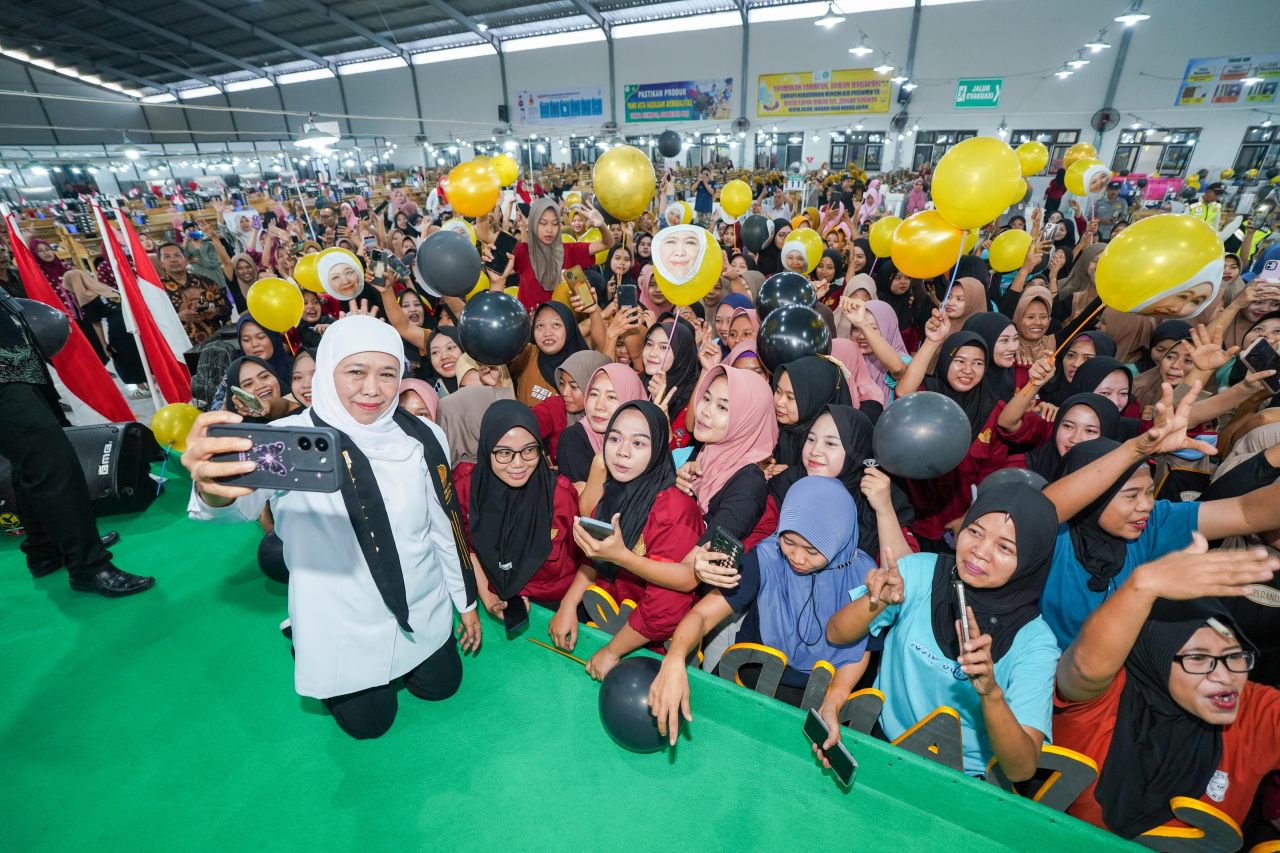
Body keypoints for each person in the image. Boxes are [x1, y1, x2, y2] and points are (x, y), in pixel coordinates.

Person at [183, 315, 479, 739]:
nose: (373, 390)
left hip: (421, 600)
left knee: (442, 688)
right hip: (341, 617)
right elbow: (233, 509)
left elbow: (442, 526)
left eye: (387, 374)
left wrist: (463, 603)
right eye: (355, 372)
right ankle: (302, 635)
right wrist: (213, 488)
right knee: (371, 726)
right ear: (328, 373)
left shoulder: (424, 435)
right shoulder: (286, 439)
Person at [827, 482, 1062, 781]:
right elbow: (836, 634)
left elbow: (1022, 769)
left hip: (962, 778)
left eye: (1005, 547)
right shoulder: (919, 572)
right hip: (880, 744)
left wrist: (990, 694)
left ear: (1031, 560)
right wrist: (875, 602)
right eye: (975, 531)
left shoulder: (1035, 642)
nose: (979, 552)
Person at [1054, 554, 1279, 838]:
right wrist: (1142, 585)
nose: (1225, 676)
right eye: (1198, 658)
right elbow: (1084, 666)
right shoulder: (1103, 701)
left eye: (1235, 656)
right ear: (1155, 661)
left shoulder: (1254, 711)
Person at [649, 477, 878, 740]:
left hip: (817, 695)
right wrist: (675, 658)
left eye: (813, 551)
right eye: (788, 542)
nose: (798, 558)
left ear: (838, 542)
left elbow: (860, 650)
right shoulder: (766, 557)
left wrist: (834, 699)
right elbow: (701, 615)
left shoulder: (865, 577)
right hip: (747, 675)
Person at [0, 292, 152, 597]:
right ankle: (88, 566)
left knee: (30, 459)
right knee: (51, 461)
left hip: (16, 356)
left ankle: (46, 549)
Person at [558, 401, 705, 680]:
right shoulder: (612, 491)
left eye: (638, 444)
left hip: (652, 650)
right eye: (614, 439)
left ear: (659, 448)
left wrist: (613, 651)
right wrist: (568, 603)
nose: (622, 452)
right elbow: (597, 556)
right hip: (606, 624)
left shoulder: (674, 510)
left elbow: (665, 607)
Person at [454, 401, 582, 618]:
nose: (518, 464)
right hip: (490, 591)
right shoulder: (467, 488)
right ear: (486, 449)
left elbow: (582, 560)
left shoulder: (559, 495)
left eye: (529, 450)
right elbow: (465, 546)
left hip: (552, 606)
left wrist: (568, 606)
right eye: (504, 453)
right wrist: (489, 597)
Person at [510, 198, 614, 310]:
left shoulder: (570, 250)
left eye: (554, 224)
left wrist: (601, 225)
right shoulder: (524, 251)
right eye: (543, 223)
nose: (549, 230)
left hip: (561, 323)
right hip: (529, 324)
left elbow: (607, 243)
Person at [157, 241, 230, 344]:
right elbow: (153, 321)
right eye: (167, 257)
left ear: (186, 260)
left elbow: (227, 308)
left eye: (177, 255)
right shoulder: (157, 290)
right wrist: (178, 318)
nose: (173, 260)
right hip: (180, 347)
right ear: (161, 264)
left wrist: (215, 311)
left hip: (214, 342)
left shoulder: (207, 282)